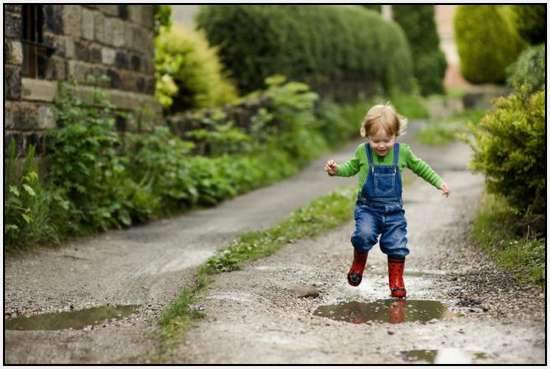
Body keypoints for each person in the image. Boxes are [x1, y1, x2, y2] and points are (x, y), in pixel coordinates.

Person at [324, 103, 449, 298]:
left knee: (397, 244)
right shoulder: (362, 152)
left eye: (387, 140)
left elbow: (421, 167)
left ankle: (396, 282)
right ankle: (358, 264)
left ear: (396, 134)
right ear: (366, 135)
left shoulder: (403, 152)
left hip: (394, 212)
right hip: (368, 209)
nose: (381, 145)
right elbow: (349, 168)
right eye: (376, 141)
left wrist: (438, 182)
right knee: (363, 236)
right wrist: (336, 170)